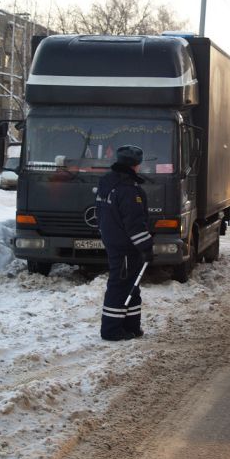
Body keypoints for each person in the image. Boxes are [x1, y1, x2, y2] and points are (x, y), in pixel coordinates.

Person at [96, 145, 154, 341]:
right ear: (135, 165)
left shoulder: (107, 182)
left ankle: (131, 326)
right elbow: (135, 224)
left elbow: (100, 213)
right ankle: (111, 330)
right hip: (126, 246)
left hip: (114, 241)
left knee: (131, 284)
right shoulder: (128, 190)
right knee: (120, 285)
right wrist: (146, 247)